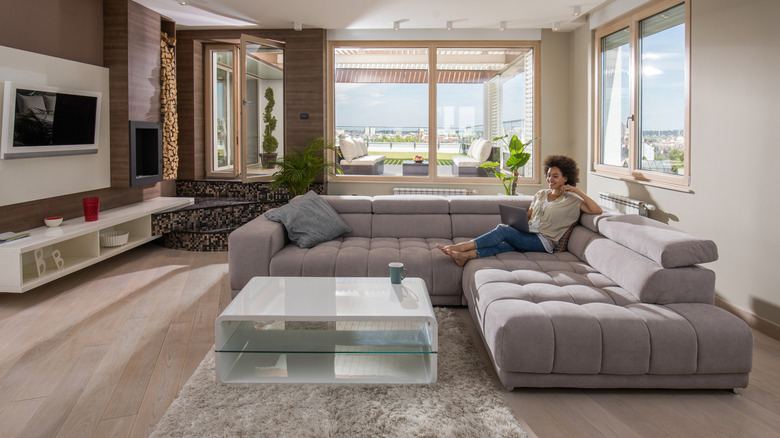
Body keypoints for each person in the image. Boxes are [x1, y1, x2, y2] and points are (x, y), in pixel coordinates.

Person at [438, 154, 602, 266]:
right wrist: (516, 220)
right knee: (504, 244)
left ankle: (461, 247)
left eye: (555, 176)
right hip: (528, 234)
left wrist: (578, 191)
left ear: (566, 178)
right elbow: (529, 215)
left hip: (544, 242)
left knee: (503, 231)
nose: (550, 179)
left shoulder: (572, 200)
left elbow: (596, 210)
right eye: (549, 175)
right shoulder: (541, 194)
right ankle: (465, 256)